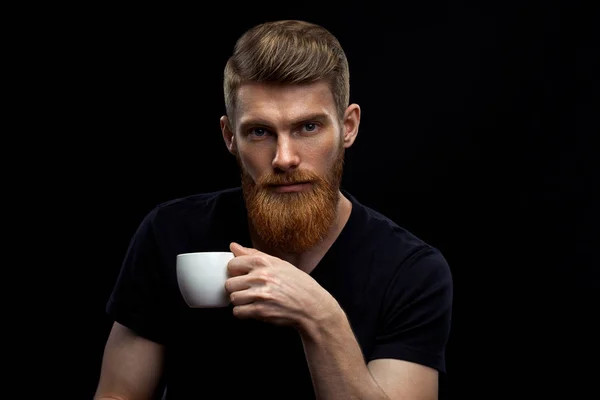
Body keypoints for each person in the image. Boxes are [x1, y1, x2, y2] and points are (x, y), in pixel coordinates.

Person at [94, 19, 453, 400]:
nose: (284, 158)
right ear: (230, 138)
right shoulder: (169, 234)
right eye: (260, 132)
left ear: (348, 127)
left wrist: (320, 317)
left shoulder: (411, 271)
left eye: (309, 127)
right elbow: (118, 394)